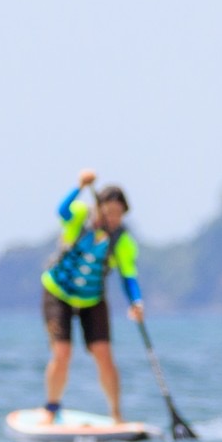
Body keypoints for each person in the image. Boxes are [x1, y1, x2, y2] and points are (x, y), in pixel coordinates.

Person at [39, 169, 142, 424]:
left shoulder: (122, 241)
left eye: (119, 214)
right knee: (62, 352)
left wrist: (136, 303)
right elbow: (61, 210)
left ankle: (116, 413)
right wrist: (80, 186)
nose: (114, 218)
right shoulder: (80, 218)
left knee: (104, 353)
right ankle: (51, 409)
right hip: (58, 292)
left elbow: (128, 277)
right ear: (99, 208)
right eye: (109, 212)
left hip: (92, 298)